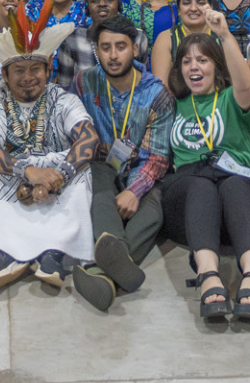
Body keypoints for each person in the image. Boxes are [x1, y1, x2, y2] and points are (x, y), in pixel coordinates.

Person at [0, 22, 109, 306]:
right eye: (19, 70)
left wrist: (58, 176)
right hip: (13, 176)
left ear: (48, 71)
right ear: (6, 75)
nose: (28, 77)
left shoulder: (62, 99)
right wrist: (28, 172)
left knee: (83, 169)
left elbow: (88, 138)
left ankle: (54, 252)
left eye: (35, 69)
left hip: (55, 179)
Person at [160, 19, 250, 322]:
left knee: (235, 185)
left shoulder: (234, 98)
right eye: (186, 61)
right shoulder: (176, 103)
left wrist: (224, 34)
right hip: (189, 199)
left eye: (202, 59)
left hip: (234, 198)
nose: (194, 67)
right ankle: (208, 276)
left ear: (216, 66)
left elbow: (246, 83)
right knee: (200, 186)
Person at [76, 16, 173, 296]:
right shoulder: (86, 82)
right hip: (102, 169)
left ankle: (102, 273)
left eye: (121, 46)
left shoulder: (157, 94)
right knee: (98, 182)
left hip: (142, 173)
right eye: (105, 47)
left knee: (153, 214)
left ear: (135, 48)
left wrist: (133, 191)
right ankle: (116, 257)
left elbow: (157, 158)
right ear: (97, 50)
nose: (113, 55)